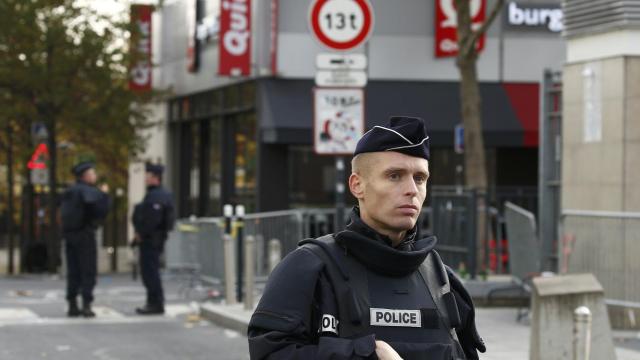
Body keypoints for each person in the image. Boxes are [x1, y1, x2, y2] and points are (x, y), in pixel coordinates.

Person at [248, 116, 486, 360]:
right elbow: (269, 353)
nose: (412, 190)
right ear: (357, 185)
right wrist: (368, 355)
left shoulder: (442, 280)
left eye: (420, 178)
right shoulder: (310, 269)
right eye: (394, 176)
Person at [60, 161, 110, 317]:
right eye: (93, 173)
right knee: (87, 270)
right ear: (86, 176)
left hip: (70, 236)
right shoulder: (89, 191)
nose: (95, 176)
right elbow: (100, 211)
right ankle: (86, 304)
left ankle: (72, 303)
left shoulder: (69, 191)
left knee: (73, 270)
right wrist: (104, 195)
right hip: (85, 235)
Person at [132, 162, 175, 315]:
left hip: (151, 239)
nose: (145, 179)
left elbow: (152, 220)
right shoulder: (155, 194)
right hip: (152, 239)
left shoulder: (157, 195)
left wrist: (141, 233)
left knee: (150, 273)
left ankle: (155, 303)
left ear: (155, 178)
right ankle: (153, 302)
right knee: (150, 272)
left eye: (148, 176)